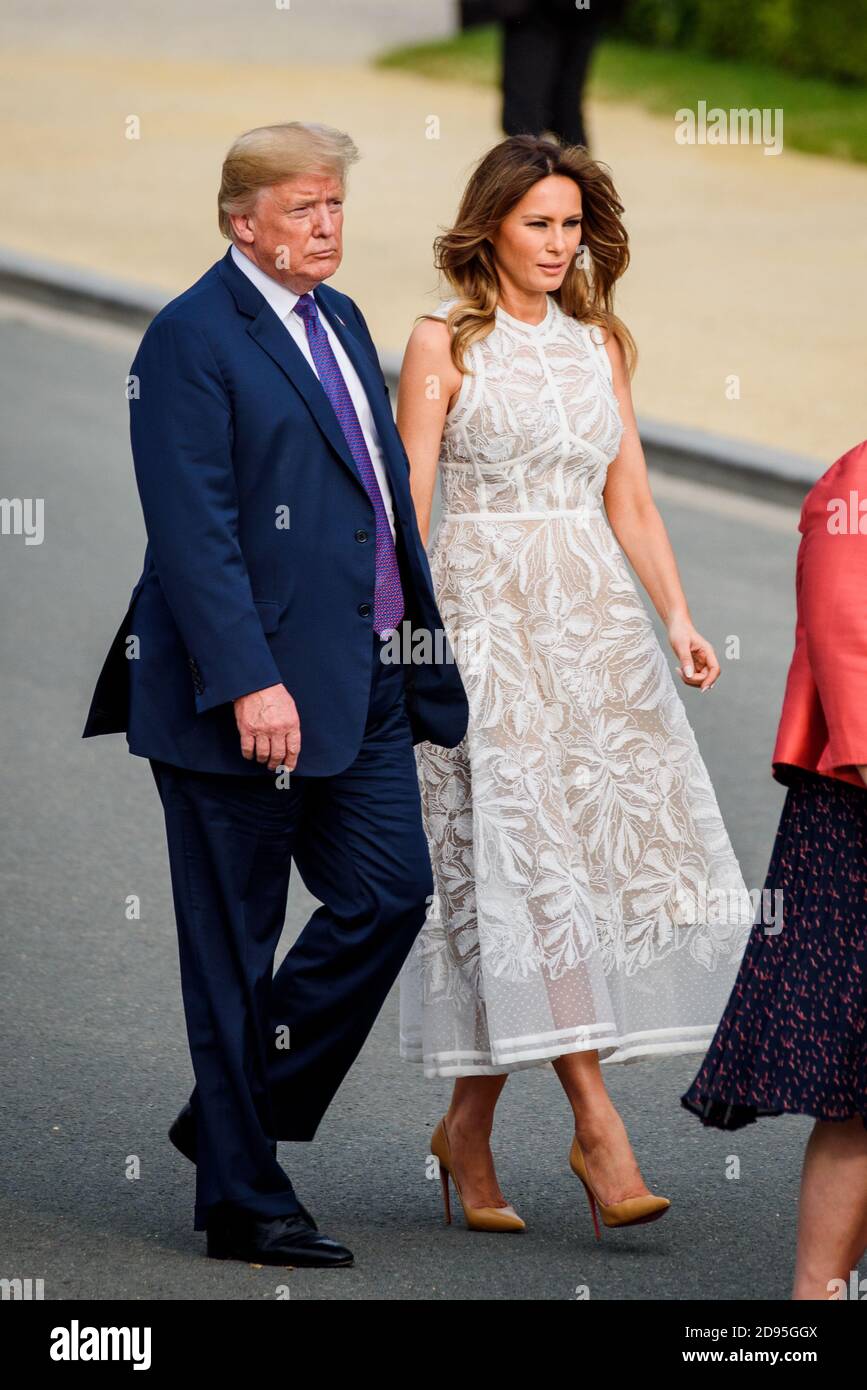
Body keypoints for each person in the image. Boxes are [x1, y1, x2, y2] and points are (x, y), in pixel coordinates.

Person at [82, 121, 469, 1268]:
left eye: (336, 207)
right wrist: (251, 679)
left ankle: (229, 1114)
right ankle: (246, 1200)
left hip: (367, 678)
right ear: (238, 220)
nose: (326, 227)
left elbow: (382, 494)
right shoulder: (191, 338)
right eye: (303, 210)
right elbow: (194, 536)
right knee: (231, 949)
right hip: (239, 700)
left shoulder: (343, 319)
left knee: (390, 894)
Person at [396, 134, 753, 1237]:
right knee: (531, 870)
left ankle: (466, 1128)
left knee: (564, 882)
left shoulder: (602, 344)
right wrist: (401, 645)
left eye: (571, 224)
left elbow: (630, 501)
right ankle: (601, 1132)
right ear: (490, 226)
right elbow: (407, 506)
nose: (559, 244)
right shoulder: (442, 339)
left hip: (593, 635)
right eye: (538, 223)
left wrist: (679, 618)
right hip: (485, 632)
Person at [682, 439, 867, 1300]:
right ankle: (814, 1297)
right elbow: (839, 618)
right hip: (855, 800)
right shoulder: (856, 480)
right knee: (853, 1072)